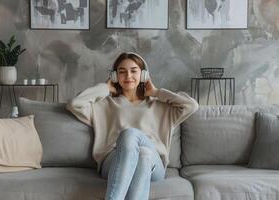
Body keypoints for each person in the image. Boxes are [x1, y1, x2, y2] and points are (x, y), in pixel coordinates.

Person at [66, 52, 199, 200]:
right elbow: (74, 104)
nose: (128, 76)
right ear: (115, 76)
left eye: (134, 71)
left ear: (143, 75)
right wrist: (105, 88)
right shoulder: (104, 105)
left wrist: (156, 92)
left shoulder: (158, 105)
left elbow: (191, 105)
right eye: (122, 72)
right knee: (140, 149)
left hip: (154, 166)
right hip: (113, 161)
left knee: (138, 144)